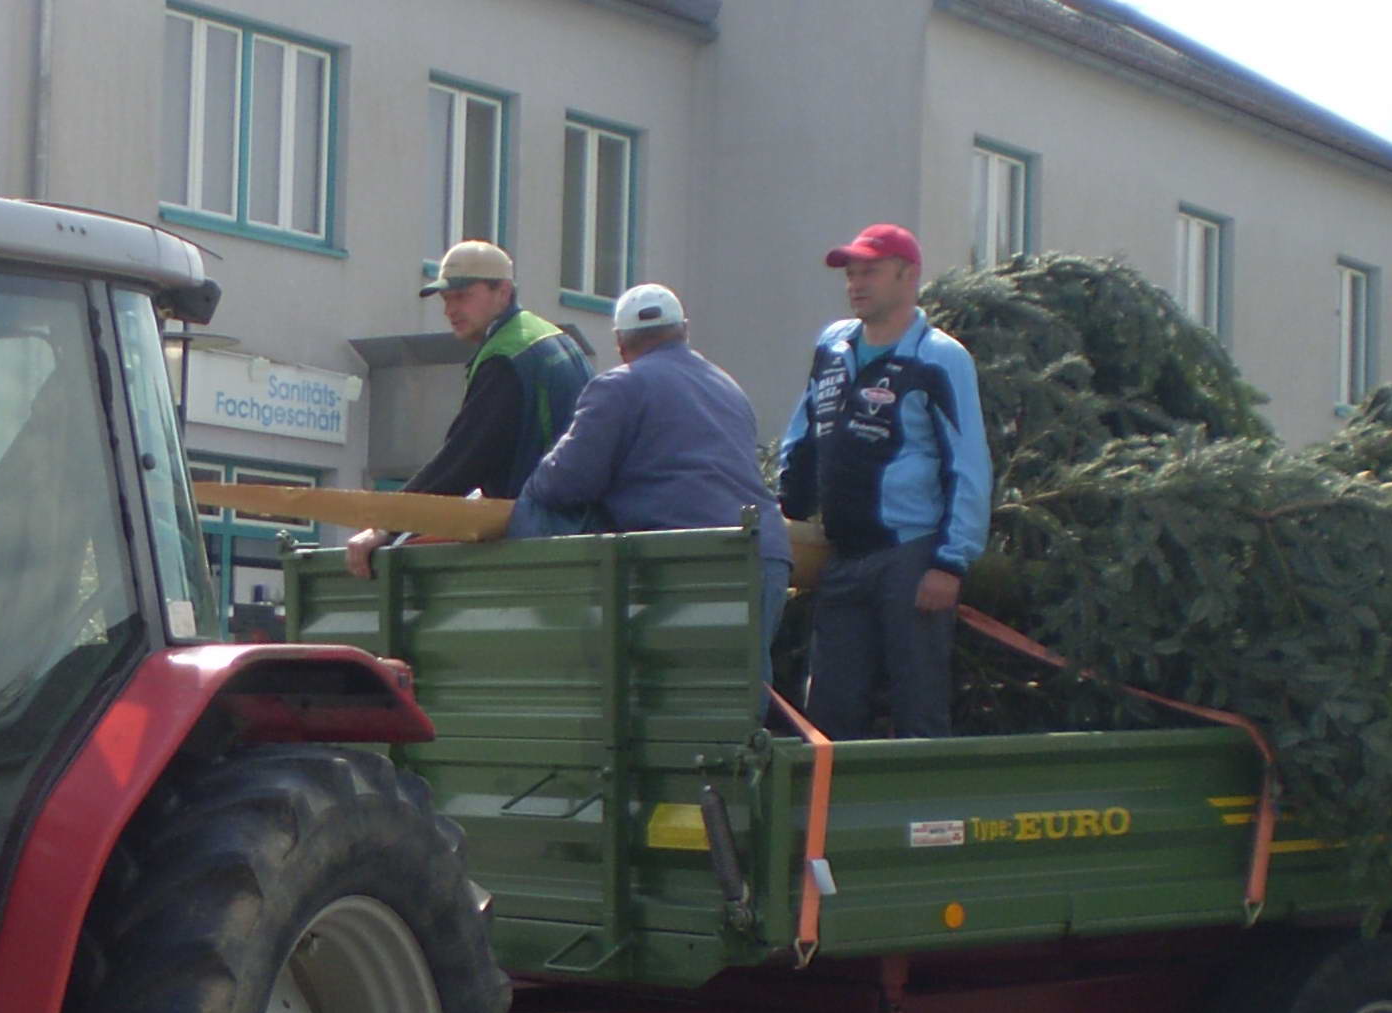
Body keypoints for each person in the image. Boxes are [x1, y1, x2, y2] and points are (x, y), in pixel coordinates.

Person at [779, 222, 991, 738]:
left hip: (911, 556)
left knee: (918, 704)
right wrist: (788, 505)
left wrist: (949, 562)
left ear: (908, 274)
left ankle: (925, 817)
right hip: (842, 555)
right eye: (851, 273)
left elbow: (970, 464)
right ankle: (835, 818)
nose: (856, 283)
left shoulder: (940, 357)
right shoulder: (833, 345)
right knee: (829, 709)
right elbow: (803, 430)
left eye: (869, 271)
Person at [507, 283, 793, 644]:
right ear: (684, 331)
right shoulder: (727, 387)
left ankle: (550, 636)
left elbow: (568, 481)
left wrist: (529, 489)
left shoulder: (619, 386)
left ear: (620, 343)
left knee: (538, 508)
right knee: (739, 693)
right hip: (764, 555)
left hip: (693, 560)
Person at [341, 239, 593, 575]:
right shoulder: (553, 339)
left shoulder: (506, 356)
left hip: (539, 536)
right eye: (446, 299)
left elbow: (464, 460)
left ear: (503, 292)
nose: (450, 310)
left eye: (462, 296)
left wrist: (388, 524)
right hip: (579, 524)